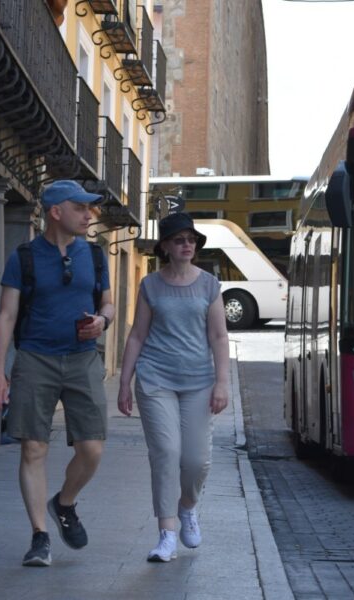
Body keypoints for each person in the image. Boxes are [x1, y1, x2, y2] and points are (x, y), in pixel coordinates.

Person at [0, 180, 114, 567]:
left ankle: (64, 502)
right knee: (33, 447)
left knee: (92, 448)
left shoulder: (94, 256)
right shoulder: (24, 257)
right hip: (35, 359)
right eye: (80, 208)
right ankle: (40, 536)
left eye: (89, 209)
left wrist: (102, 322)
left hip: (81, 358)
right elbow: (7, 315)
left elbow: (107, 304)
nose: (88, 215)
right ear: (56, 212)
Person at [117, 212, 229, 563]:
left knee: (196, 460)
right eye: (179, 239)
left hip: (198, 381)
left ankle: (187, 508)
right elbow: (137, 334)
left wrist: (222, 382)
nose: (187, 245)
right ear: (165, 246)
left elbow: (218, 335)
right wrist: (124, 381)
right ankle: (166, 535)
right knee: (166, 452)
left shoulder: (209, 285)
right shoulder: (150, 285)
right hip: (155, 379)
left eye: (191, 240)